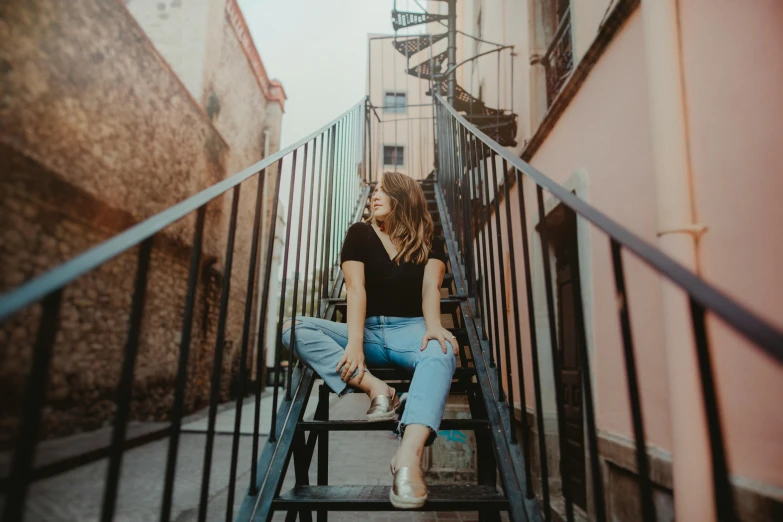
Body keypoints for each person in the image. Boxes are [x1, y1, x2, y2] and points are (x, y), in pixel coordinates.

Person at [281, 171, 457, 509]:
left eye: (383, 190)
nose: (375, 195)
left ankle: (406, 458)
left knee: (442, 351)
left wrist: (434, 326)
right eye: (375, 190)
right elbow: (356, 289)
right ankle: (379, 389)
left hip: (411, 330)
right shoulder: (359, 233)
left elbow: (430, 287)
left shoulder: (429, 239)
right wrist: (354, 345)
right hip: (367, 331)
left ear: (403, 196)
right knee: (293, 327)